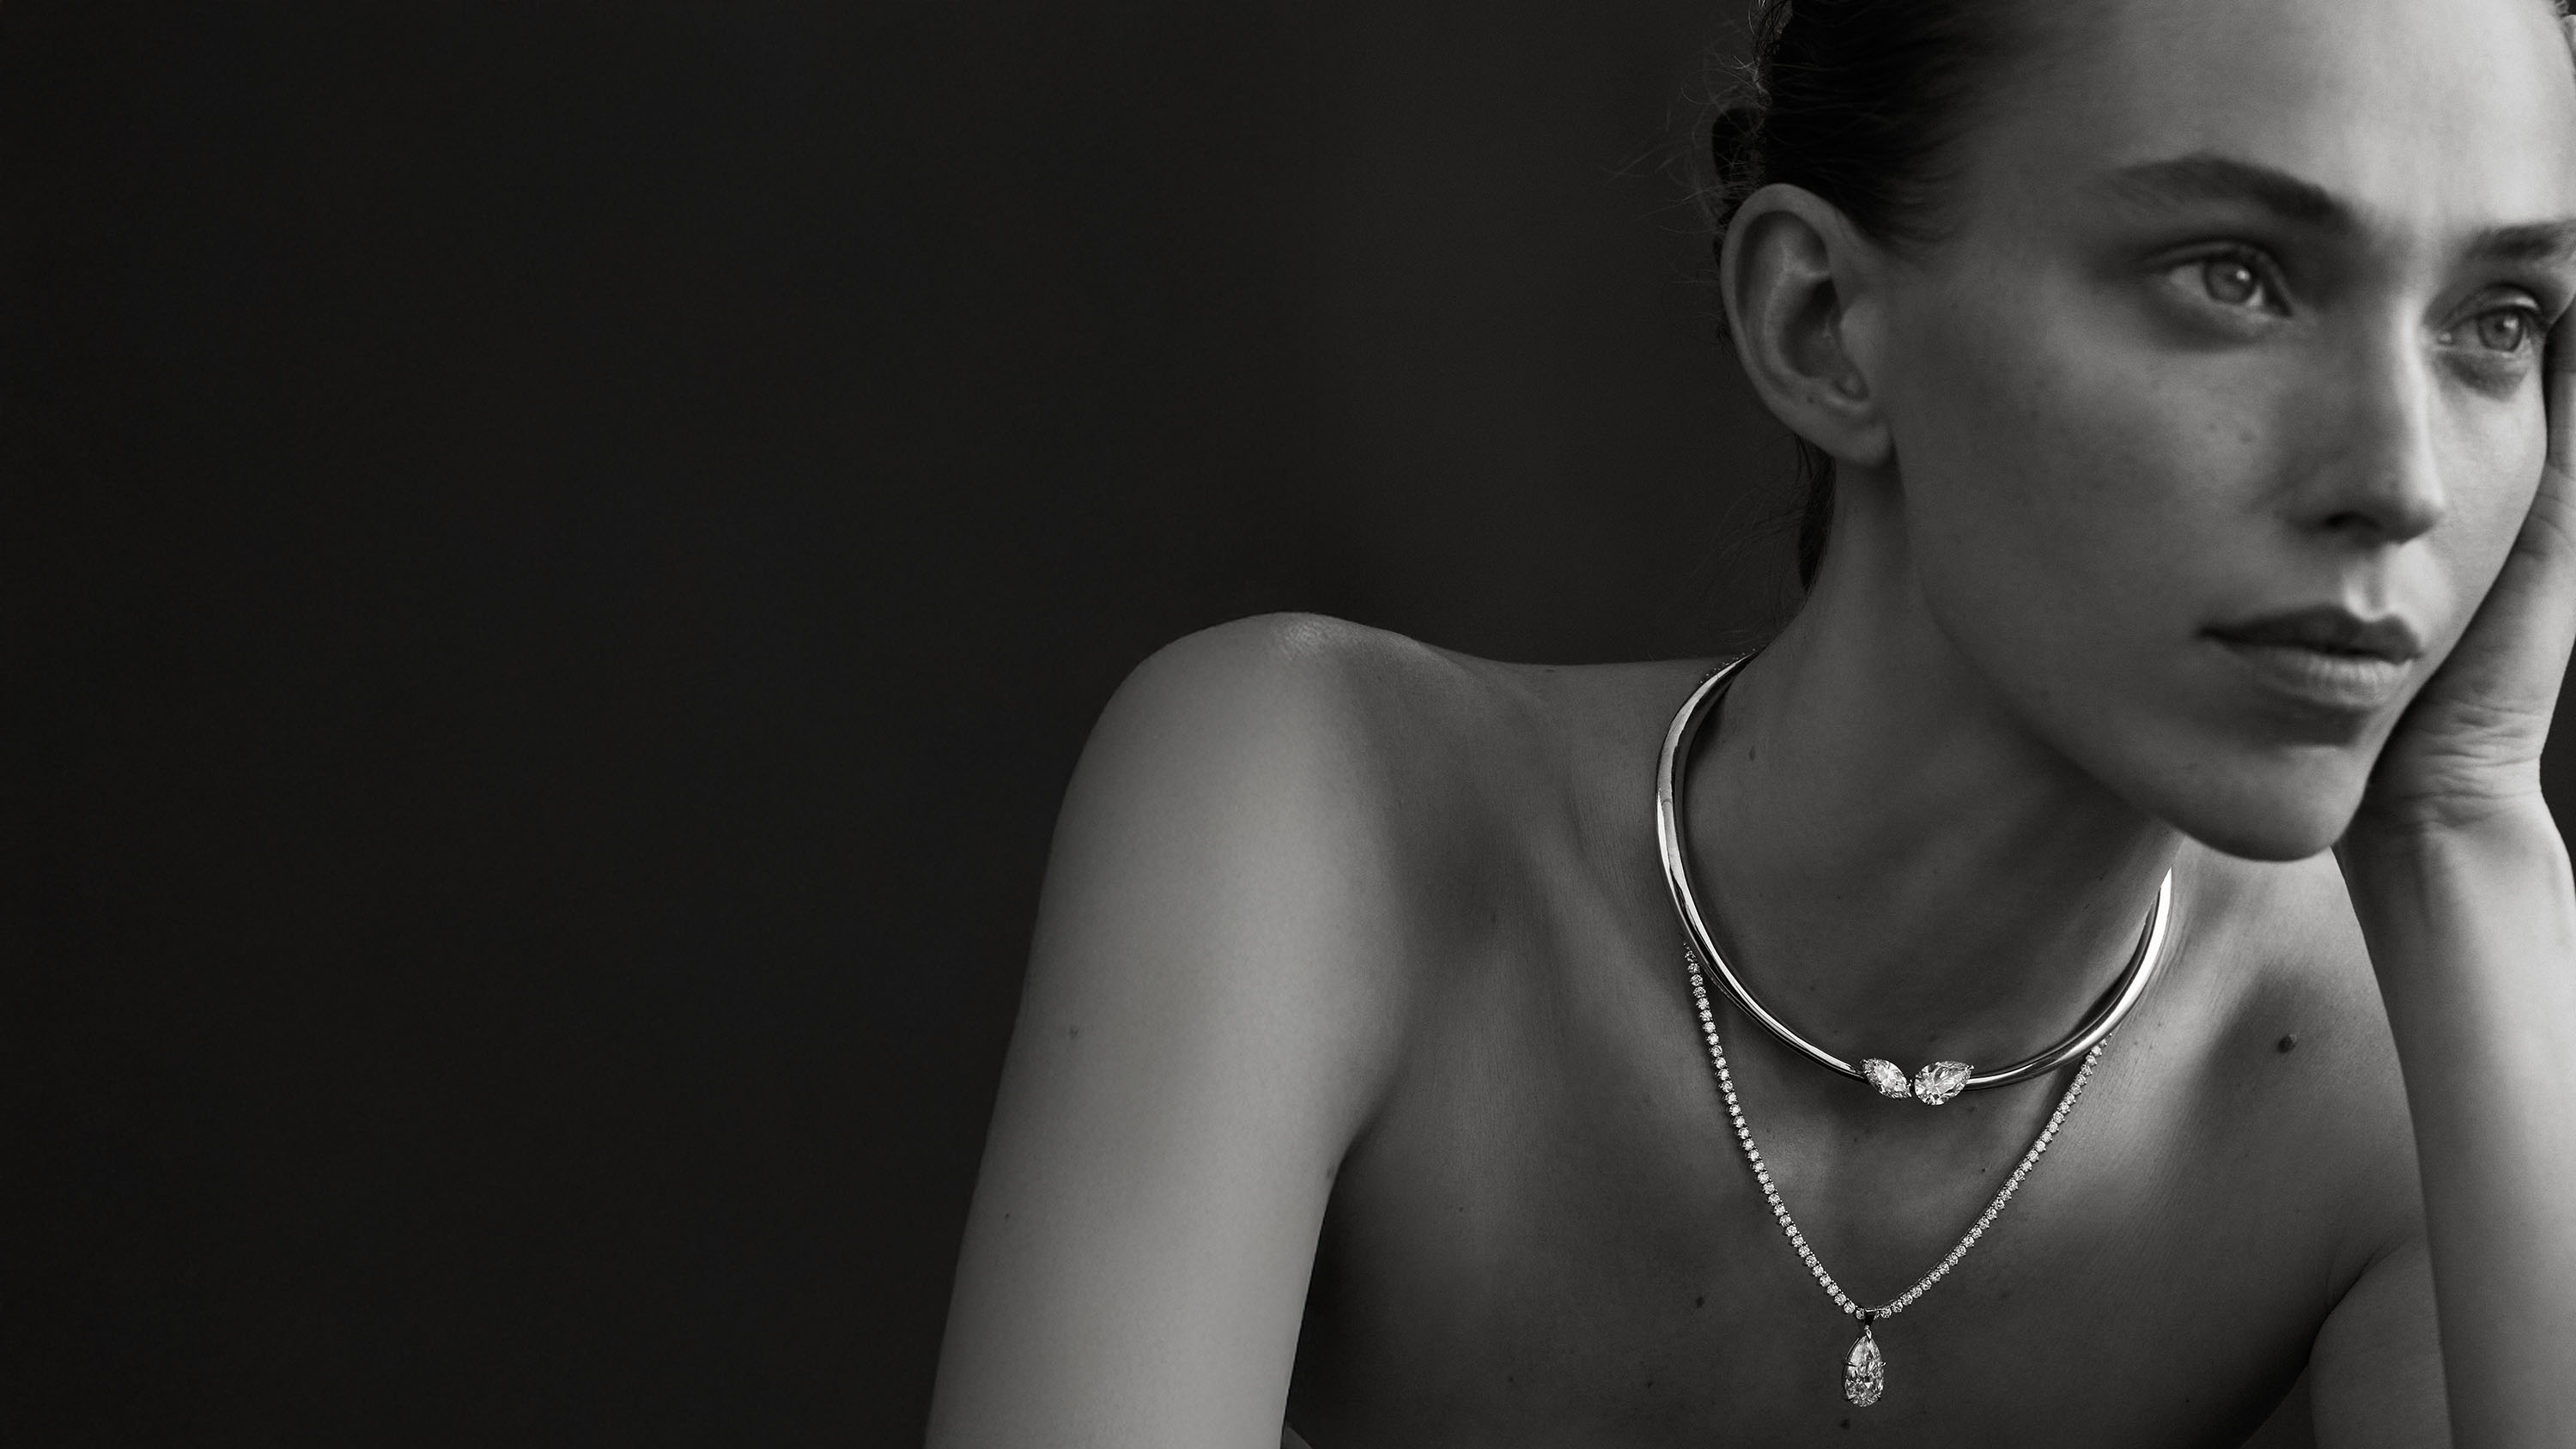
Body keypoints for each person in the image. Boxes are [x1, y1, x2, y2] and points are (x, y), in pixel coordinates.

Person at [926, 0, 2576, 1441]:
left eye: (2497, 325)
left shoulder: (2422, 1068)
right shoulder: (1311, 812)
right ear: (1820, 324)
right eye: (2239, 277)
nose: (2405, 480)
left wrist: (2470, 831)